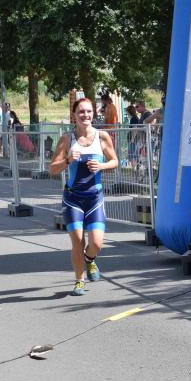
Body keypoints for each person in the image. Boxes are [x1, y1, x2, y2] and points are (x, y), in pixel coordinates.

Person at [49, 98, 119, 296]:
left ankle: (90, 260)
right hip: (73, 199)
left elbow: (115, 161)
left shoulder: (102, 137)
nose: (85, 115)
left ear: (93, 114)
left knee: (96, 243)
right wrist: (68, 160)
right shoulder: (66, 139)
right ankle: (79, 281)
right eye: (81, 112)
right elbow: (52, 169)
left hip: (94, 198)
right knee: (78, 242)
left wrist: (102, 166)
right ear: (74, 115)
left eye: (88, 111)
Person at [126, 104, 140, 169]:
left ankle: (134, 169)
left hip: (133, 140)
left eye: (127, 111)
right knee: (133, 155)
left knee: (131, 155)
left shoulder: (134, 118)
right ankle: (135, 169)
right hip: (134, 139)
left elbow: (135, 128)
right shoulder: (134, 117)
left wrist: (132, 139)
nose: (126, 113)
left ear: (129, 111)